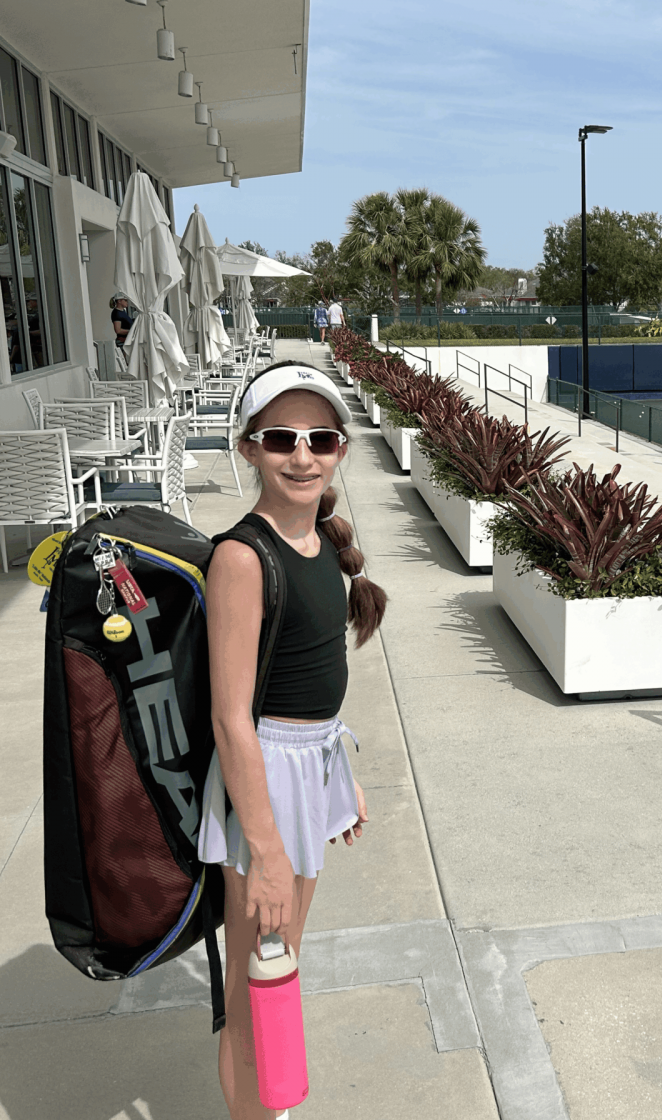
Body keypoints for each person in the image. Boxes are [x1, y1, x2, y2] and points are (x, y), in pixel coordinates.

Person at [197, 361, 388, 1119]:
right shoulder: (243, 557)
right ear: (249, 449)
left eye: (320, 439)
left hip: (307, 770)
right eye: (280, 438)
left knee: (281, 966)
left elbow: (311, 682)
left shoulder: (316, 547)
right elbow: (231, 718)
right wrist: (268, 855)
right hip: (265, 785)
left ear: (341, 449)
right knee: (255, 990)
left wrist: (341, 775)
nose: (301, 455)